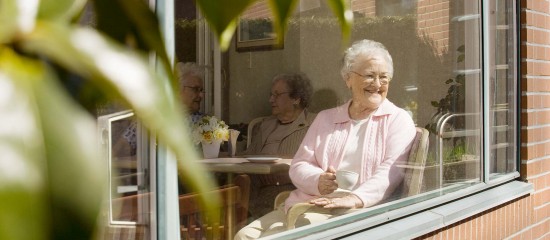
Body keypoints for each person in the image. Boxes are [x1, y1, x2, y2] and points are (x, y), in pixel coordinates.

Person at [235, 39, 416, 239]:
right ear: (348, 78)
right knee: (244, 235)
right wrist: (317, 181)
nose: (377, 84)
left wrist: (355, 198)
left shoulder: (398, 120)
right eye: (370, 76)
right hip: (307, 203)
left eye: (384, 77)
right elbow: (299, 164)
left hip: (356, 213)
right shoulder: (326, 118)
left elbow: (391, 173)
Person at [244, 73, 317, 219]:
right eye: (271, 95)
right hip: (255, 190)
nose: (271, 100)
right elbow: (246, 159)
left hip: (289, 193)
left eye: (277, 95)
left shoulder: (314, 124)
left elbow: (319, 167)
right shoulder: (265, 125)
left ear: (296, 98)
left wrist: (284, 176)